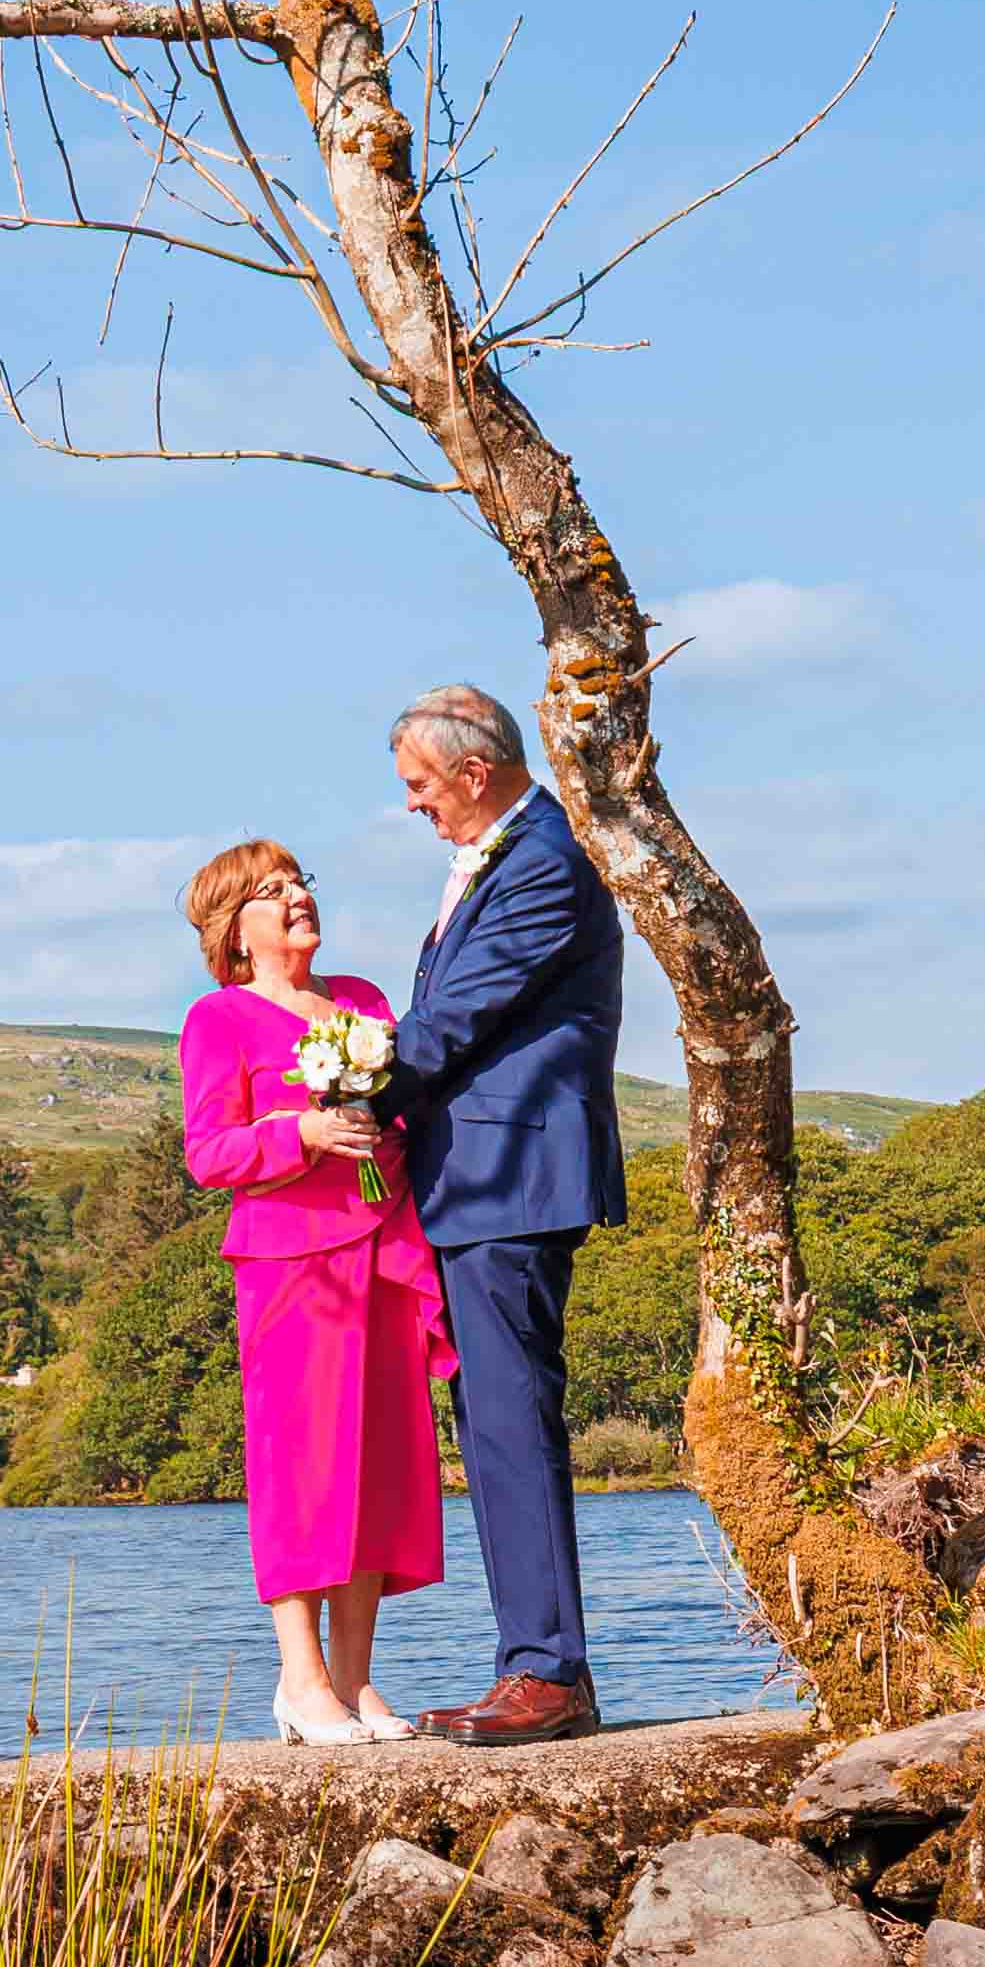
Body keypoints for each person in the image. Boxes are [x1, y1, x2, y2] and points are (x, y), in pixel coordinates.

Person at [380, 683, 624, 1745]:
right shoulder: (513, 856)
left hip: (509, 1176)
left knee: (513, 1422)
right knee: (495, 1424)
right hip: (478, 1181)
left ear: (475, 773)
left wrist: (333, 1093)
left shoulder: (541, 864)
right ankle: (533, 1661)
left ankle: (548, 1674)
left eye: (420, 785)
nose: (414, 805)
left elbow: (450, 1023)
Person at [173, 837, 448, 1746]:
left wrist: (383, 1132)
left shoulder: (363, 1002)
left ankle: (359, 1683)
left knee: (380, 1461)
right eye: (271, 890)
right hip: (290, 1266)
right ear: (234, 932)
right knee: (301, 1467)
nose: (296, 897)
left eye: (299, 883)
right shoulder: (219, 1018)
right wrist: (303, 1134)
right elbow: (209, 1154)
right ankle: (302, 1681)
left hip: (381, 1248)